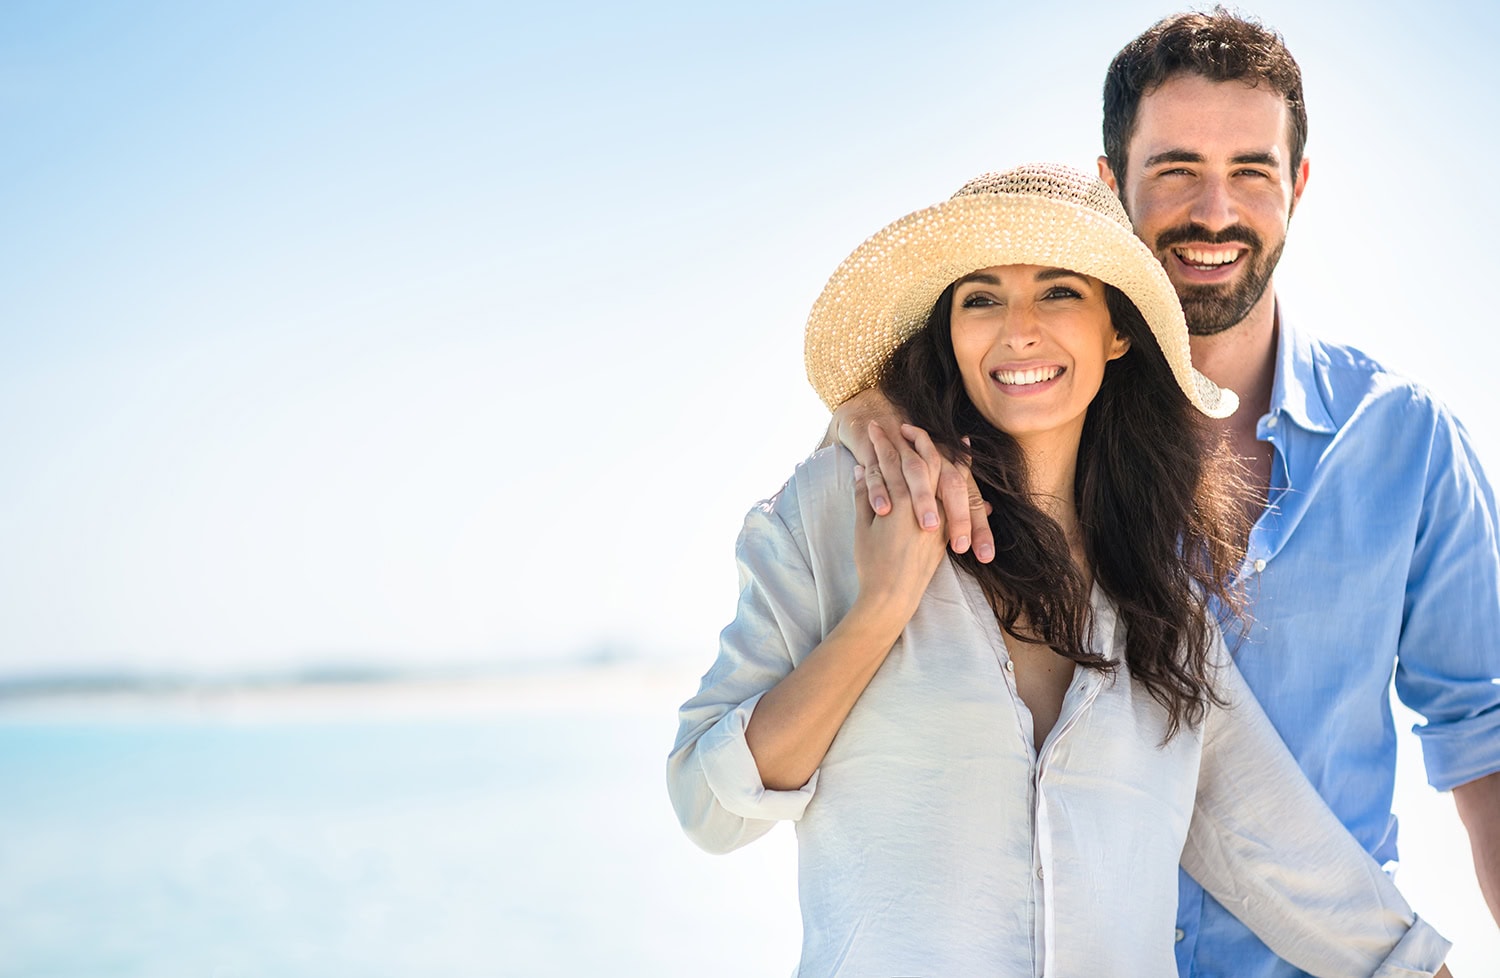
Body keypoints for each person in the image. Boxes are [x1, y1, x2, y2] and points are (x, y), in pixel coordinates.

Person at [831, 11, 1500, 978]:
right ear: (1112, 188)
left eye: (1253, 172)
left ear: (1298, 186)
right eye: (1177, 169)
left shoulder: (1406, 444)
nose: (1216, 212)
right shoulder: (1030, 433)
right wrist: (858, 413)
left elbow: (1484, 742)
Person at [668, 163, 1451, 977]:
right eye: (980, 298)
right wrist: (879, 613)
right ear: (950, 333)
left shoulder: (1160, 602)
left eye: (1058, 292)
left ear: (1117, 329)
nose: (1019, 329)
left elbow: (1278, 848)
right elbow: (707, 804)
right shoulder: (844, 508)